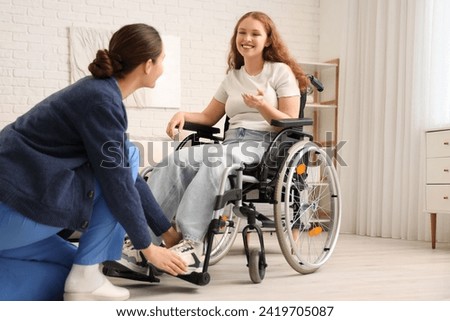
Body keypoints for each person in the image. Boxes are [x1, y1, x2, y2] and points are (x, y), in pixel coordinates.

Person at [0, 23, 187, 301]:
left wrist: (166, 231)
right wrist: (148, 247)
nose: (162, 67)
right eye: (162, 61)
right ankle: (86, 278)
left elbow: (128, 177)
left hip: (13, 214)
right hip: (11, 213)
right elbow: (120, 183)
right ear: (148, 65)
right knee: (126, 160)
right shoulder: (101, 102)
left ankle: (84, 277)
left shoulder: (97, 92)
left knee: (69, 272)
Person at [117, 11, 309, 274]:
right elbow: (209, 117)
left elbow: (289, 120)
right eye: (242, 32)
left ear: (268, 40)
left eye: (255, 34)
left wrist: (264, 106)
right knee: (175, 160)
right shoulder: (233, 77)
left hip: (265, 144)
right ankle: (144, 242)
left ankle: (191, 243)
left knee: (215, 163)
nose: (247, 38)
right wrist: (184, 114)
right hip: (230, 144)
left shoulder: (280, 72)